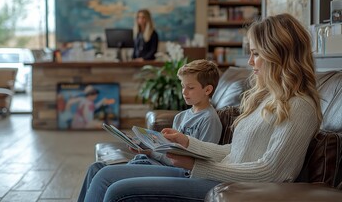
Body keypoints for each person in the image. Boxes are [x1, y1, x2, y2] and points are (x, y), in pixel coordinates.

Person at [81, 13, 323, 202]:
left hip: (233, 188)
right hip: (222, 178)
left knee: (117, 190)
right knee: (102, 174)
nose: (250, 62)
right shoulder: (269, 99)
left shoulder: (300, 106)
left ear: (278, 55)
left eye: (256, 54)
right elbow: (235, 151)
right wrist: (187, 144)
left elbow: (272, 173)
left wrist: (196, 165)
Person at [77, 59, 222, 201]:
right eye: (182, 86)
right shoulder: (181, 116)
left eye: (190, 88)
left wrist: (152, 152)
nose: (184, 92)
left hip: (179, 172)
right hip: (155, 162)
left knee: (105, 175)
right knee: (95, 168)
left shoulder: (209, 119)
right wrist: (146, 146)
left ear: (207, 89)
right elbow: (170, 150)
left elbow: (199, 164)